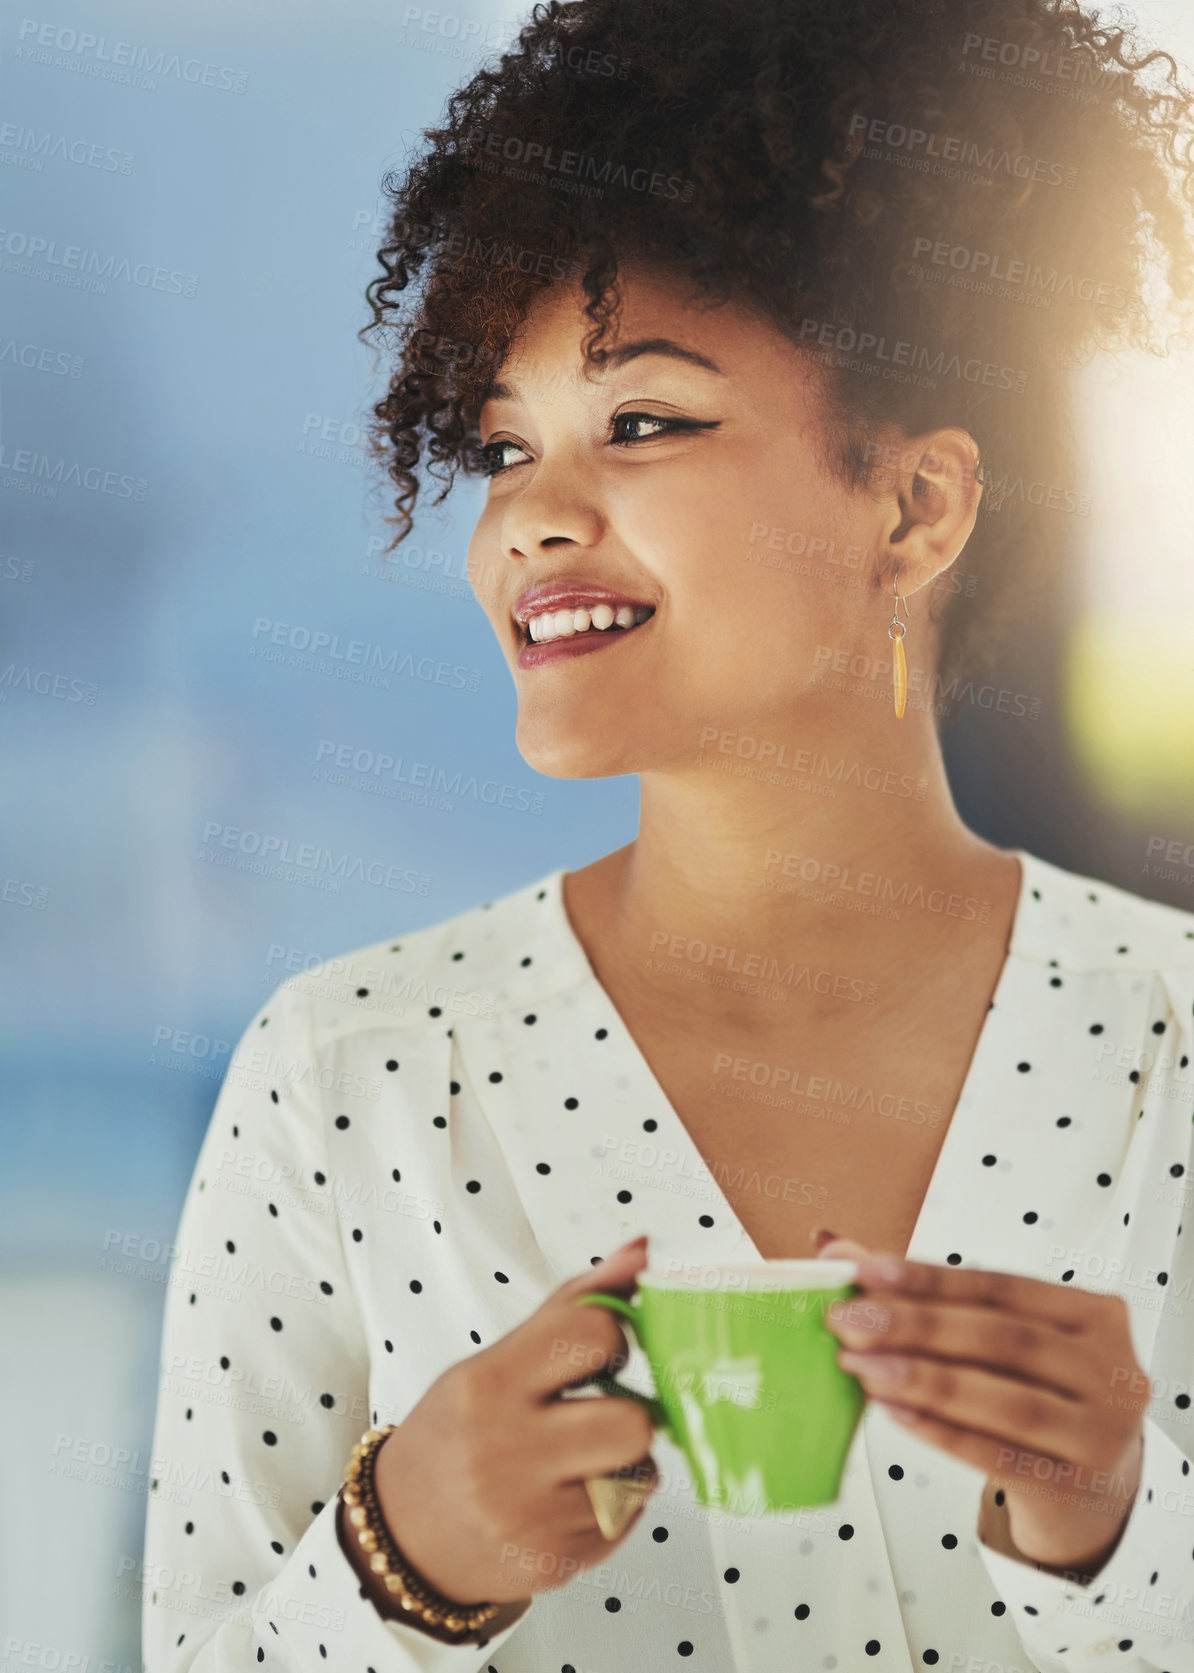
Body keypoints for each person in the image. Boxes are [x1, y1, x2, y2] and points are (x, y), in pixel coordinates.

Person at [143, 0, 1194, 1667]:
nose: (529, 517)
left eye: (642, 422)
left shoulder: (1167, 1040)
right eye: (498, 445)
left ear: (915, 505)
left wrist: (1110, 1534)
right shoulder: (348, 1069)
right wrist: (400, 1557)